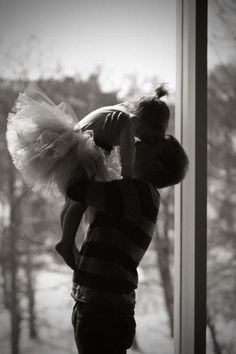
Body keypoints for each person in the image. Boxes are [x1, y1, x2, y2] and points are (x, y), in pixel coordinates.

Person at [66, 134, 189, 354]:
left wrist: (96, 148)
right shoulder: (138, 192)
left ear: (155, 163)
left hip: (103, 311)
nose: (137, 141)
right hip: (101, 305)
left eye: (147, 141)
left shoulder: (139, 192)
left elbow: (77, 190)